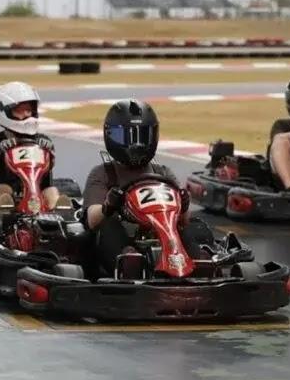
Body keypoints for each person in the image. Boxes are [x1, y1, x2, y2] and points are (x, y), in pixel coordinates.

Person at [81, 99, 200, 275]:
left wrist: (184, 206)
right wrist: (109, 206)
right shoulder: (103, 173)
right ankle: (129, 264)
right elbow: (92, 219)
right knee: (108, 226)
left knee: (196, 227)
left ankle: (199, 263)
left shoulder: (164, 173)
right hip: (123, 239)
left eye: (142, 136)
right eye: (128, 137)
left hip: (161, 234)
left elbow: (183, 221)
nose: (136, 144)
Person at [0, 81, 60, 220]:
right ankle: (1, 221)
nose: (27, 115)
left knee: (51, 191)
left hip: (36, 195)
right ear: (5, 112)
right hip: (1, 199)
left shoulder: (42, 141)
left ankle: (60, 222)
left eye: (29, 110)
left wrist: (49, 152)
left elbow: (51, 164)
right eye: (21, 110)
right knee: (4, 190)